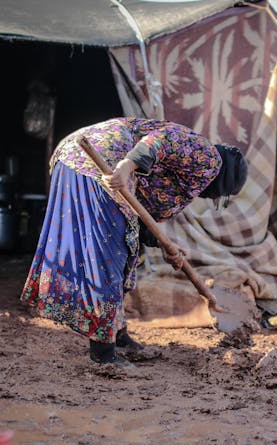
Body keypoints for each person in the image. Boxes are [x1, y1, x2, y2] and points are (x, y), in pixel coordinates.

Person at [20, 118, 248, 366]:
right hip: (98, 159)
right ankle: (103, 354)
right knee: (108, 258)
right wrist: (128, 166)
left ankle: (118, 336)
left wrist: (166, 246)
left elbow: (140, 219)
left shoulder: (186, 177)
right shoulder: (209, 158)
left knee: (125, 252)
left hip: (73, 158)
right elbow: (165, 138)